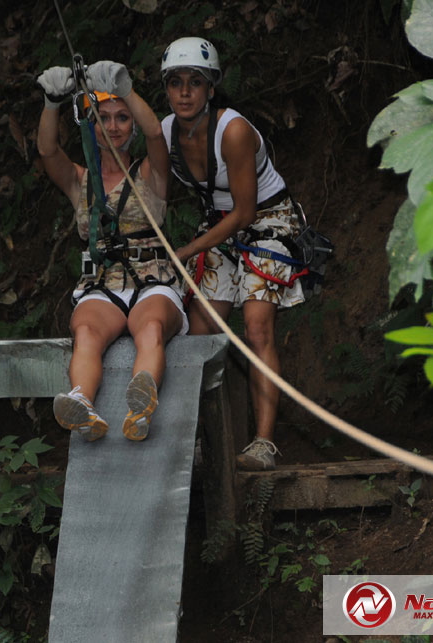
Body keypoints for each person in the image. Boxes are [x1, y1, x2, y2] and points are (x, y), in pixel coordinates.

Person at [160, 37, 309, 470]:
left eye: (195, 82)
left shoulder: (234, 130)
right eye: (175, 83)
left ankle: (263, 444)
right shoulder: (166, 132)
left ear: (211, 88)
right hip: (218, 227)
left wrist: (188, 249)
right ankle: (196, 439)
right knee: (200, 329)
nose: (184, 92)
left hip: (267, 221)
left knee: (257, 326)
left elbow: (245, 212)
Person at [37, 61, 186, 442]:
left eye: (122, 117)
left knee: (150, 327)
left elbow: (156, 132)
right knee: (86, 331)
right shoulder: (80, 180)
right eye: (104, 118)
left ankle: (141, 404)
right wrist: (52, 103)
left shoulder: (151, 173)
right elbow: (48, 150)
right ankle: (82, 404)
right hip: (102, 282)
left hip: (152, 278)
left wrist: (126, 89)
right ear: (91, 124)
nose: (113, 126)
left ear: (131, 125)